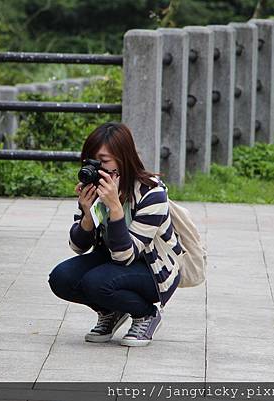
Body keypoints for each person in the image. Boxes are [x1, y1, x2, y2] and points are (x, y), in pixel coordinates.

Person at [48, 121, 183, 347]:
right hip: (113, 261)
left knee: (96, 282)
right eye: (91, 161)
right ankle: (111, 312)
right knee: (61, 278)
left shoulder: (152, 193)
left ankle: (146, 314)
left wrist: (116, 209)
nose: (96, 168)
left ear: (123, 158)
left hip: (152, 270)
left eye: (104, 161)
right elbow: (78, 246)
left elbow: (125, 256)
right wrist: (88, 215)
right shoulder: (98, 186)